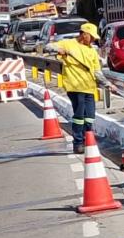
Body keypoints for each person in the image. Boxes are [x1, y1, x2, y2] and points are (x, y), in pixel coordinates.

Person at [44, 23, 117, 154]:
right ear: (84, 34)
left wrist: (108, 84)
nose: (93, 40)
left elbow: (97, 72)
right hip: (75, 86)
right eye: (92, 37)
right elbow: (47, 47)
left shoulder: (92, 51)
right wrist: (58, 50)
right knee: (79, 115)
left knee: (89, 116)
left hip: (89, 87)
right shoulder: (68, 44)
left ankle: (87, 138)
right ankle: (78, 142)